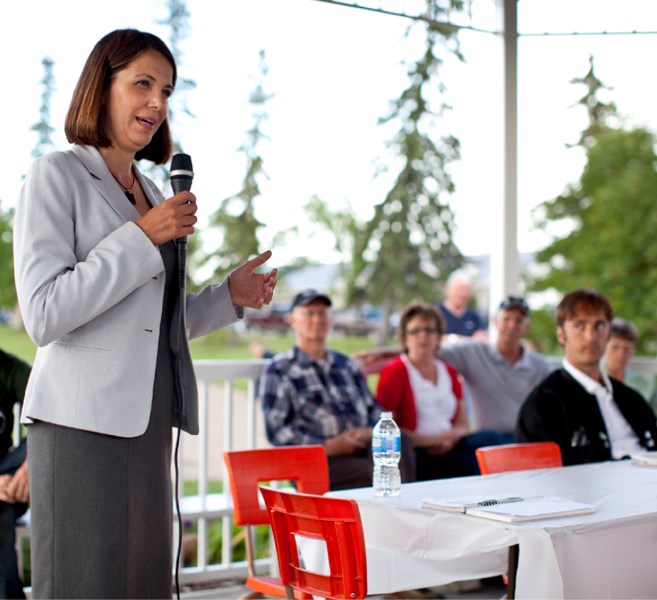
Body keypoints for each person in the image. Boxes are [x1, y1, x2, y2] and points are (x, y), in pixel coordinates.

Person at [12, 29, 277, 599]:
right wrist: (139, 237)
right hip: (80, 424)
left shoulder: (152, 190)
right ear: (99, 89)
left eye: (166, 90)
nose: (157, 103)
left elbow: (157, 320)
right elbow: (44, 312)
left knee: (144, 584)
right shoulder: (54, 175)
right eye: (142, 84)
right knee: (87, 585)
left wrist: (229, 295)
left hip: (149, 418)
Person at [260, 289, 415, 491]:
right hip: (315, 463)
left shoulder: (346, 365)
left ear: (330, 319)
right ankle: (402, 517)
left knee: (400, 440)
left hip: (363, 449)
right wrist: (328, 446)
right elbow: (277, 430)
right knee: (379, 471)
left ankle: (401, 513)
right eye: (309, 313)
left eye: (322, 313)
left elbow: (374, 410)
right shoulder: (280, 369)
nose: (317, 319)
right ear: (292, 319)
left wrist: (367, 432)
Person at [516, 289, 657, 465]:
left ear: (608, 333)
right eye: (579, 325)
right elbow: (538, 478)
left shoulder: (632, 399)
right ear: (561, 334)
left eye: (599, 326)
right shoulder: (544, 404)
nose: (590, 337)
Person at [375, 304, 504, 480]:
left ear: (438, 336)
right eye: (415, 331)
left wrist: (449, 439)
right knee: (471, 465)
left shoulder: (449, 371)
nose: (423, 336)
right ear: (405, 337)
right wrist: (432, 441)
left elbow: (462, 424)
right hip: (417, 451)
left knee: (491, 439)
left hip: (449, 444)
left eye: (429, 330)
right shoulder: (395, 371)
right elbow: (387, 429)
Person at [0, 349, 31, 599]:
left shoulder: (8, 368)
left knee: (44, 444)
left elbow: (54, 409)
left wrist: (32, 465)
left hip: (10, 478)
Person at [602, 317, 657, 410]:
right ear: (603, 346)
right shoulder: (590, 376)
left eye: (627, 348)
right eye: (615, 347)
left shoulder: (646, 382)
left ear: (634, 350)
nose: (620, 354)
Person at [438, 270, 487, 342]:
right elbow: (434, 338)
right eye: (459, 289)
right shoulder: (436, 313)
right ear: (447, 290)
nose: (463, 294)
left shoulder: (474, 316)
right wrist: (468, 340)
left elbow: (482, 339)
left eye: (467, 290)